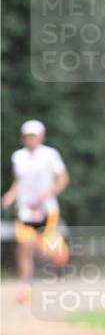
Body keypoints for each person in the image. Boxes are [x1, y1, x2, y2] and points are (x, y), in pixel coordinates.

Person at [1, 119, 70, 303]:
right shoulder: (18, 157)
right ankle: (26, 287)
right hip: (26, 210)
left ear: (41, 136)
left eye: (33, 135)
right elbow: (18, 182)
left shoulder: (50, 155)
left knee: (43, 250)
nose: (30, 139)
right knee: (25, 247)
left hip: (46, 210)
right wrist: (10, 196)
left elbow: (63, 178)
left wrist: (49, 192)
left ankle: (58, 247)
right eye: (27, 136)